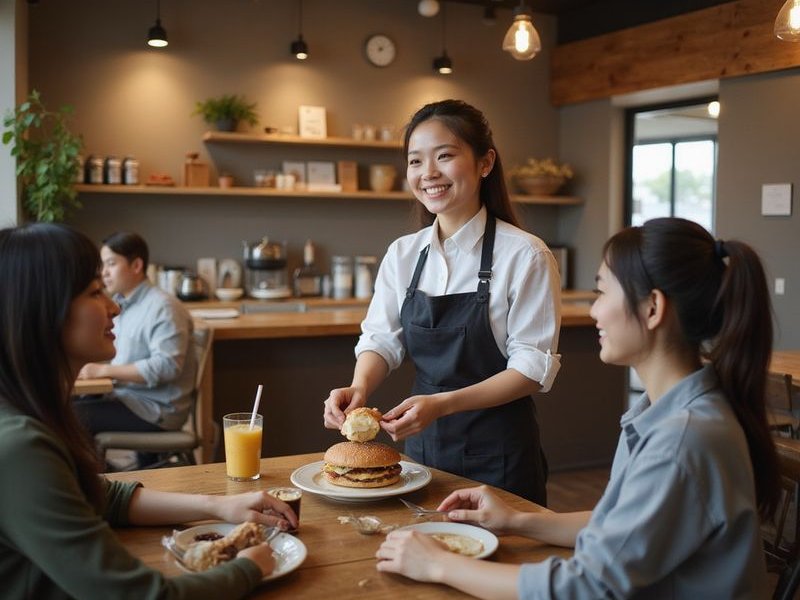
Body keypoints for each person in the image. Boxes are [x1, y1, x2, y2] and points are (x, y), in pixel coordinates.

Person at [375, 217, 781, 598]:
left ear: (653, 308)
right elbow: (621, 527)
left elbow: (589, 587)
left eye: (602, 291)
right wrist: (520, 522)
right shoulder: (670, 413)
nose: (593, 311)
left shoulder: (681, 440)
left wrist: (438, 565)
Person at [0, 223, 299, 599]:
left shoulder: (29, 419)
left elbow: (102, 495)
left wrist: (220, 505)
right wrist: (250, 567)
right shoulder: (20, 449)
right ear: (42, 313)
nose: (112, 306)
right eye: (95, 292)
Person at [323, 99, 562, 504]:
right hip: (423, 454)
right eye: (415, 162)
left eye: (445, 156)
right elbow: (382, 339)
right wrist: (359, 386)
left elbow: (531, 369)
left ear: (485, 163)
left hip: (500, 457)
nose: (428, 173)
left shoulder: (526, 255)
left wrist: (443, 403)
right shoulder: (403, 253)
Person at [75, 231, 195, 465]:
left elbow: (167, 366)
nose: (104, 273)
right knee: (69, 405)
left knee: (70, 417)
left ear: (136, 265)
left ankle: (99, 490)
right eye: (103, 265)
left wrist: (103, 371)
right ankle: (105, 483)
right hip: (131, 398)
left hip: (157, 411)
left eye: (111, 264)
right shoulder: (124, 305)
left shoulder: (163, 307)